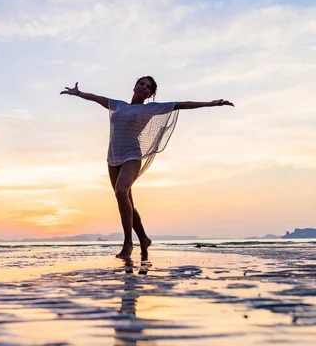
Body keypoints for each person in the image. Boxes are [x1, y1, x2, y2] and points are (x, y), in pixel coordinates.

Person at [60, 76, 234, 259]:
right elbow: (97, 98)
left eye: (148, 87)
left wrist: (210, 103)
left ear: (150, 94)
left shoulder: (150, 108)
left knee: (121, 191)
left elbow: (180, 104)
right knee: (126, 200)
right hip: (113, 156)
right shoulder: (118, 105)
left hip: (132, 155)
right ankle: (143, 238)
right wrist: (78, 93)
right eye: (141, 84)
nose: (144, 87)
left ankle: (128, 243)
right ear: (134, 87)